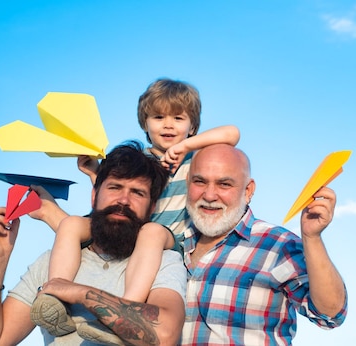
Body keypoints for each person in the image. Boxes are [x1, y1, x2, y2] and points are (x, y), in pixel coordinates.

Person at [37, 78, 239, 339]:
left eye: (178, 118)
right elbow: (118, 196)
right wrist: (95, 172)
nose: (168, 124)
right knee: (71, 224)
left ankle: (123, 312)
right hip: (127, 230)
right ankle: (55, 296)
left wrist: (185, 146)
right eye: (158, 117)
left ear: (192, 127)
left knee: (151, 231)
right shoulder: (139, 158)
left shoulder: (194, 158)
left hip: (165, 237)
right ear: (145, 123)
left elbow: (232, 133)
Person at [0, 141, 187, 346]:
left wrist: (79, 293)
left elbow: (165, 335)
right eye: (114, 187)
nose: (123, 200)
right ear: (94, 196)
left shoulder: (163, 262)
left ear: (152, 208)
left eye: (137, 193)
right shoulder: (53, 261)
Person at [180, 144, 348, 345]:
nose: (209, 195)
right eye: (200, 181)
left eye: (224, 184)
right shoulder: (173, 243)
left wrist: (312, 238)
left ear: (248, 190)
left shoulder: (278, 244)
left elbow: (330, 314)